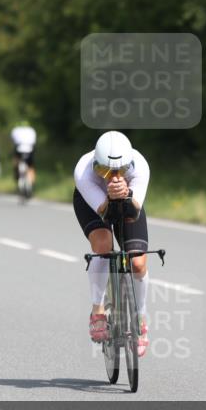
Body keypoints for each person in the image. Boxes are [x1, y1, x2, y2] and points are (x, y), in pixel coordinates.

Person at [73, 130, 152, 357]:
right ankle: (97, 309)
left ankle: (140, 317)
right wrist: (109, 196)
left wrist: (126, 193)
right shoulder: (84, 172)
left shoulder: (140, 167)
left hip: (129, 199)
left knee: (137, 262)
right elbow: (105, 212)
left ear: (130, 165)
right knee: (103, 246)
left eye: (121, 170)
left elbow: (133, 211)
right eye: (104, 170)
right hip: (92, 201)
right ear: (95, 164)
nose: (113, 176)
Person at [10, 121, 37, 193]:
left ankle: (16, 174)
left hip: (19, 149)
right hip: (30, 150)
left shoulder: (15, 130)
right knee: (31, 167)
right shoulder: (31, 130)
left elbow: (12, 141)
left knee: (16, 161)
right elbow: (34, 142)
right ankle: (32, 183)